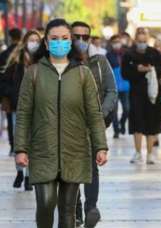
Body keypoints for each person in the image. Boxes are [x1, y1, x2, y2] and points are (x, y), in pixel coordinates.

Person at [14, 18, 108, 228]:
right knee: (46, 203)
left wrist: (100, 146)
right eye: (54, 39)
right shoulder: (34, 73)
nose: (59, 42)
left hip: (74, 150)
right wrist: (20, 148)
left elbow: (94, 113)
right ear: (46, 43)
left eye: (65, 38)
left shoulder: (83, 74)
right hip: (42, 149)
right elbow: (23, 114)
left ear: (70, 41)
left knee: (67, 209)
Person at [71, 21, 117, 228]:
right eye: (76, 36)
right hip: (67, 122)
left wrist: (101, 114)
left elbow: (111, 91)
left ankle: (91, 208)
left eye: (84, 37)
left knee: (90, 166)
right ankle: (76, 209)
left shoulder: (99, 61)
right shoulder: (61, 62)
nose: (80, 41)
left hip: (93, 122)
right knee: (70, 167)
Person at [2, 30, 41, 191]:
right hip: (18, 105)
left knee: (33, 142)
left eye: (36, 40)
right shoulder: (15, 60)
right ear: (25, 42)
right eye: (31, 40)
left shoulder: (42, 60)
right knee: (20, 140)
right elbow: (3, 81)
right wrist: (11, 95)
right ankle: (20, 171)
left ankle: (28, 176)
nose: (34, 43)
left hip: (38, 107)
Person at [121, 27, 161, 165]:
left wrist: (151, 69)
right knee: (137, 122)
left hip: (152, 94)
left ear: (148, 39)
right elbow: (125, 73)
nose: (142, 43)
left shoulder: (154, 53)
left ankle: (150, 153)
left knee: (152, 123)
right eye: (139, 40)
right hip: (136, 93)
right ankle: (137, 152)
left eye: (144, 40)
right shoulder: (129, 54)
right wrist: (137, 69)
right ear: (135, 39)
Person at [0, 28, 22, 157]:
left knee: (10, 120)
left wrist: (3, 95)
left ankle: (13, 146)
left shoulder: (4, 54)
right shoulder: (22, 53)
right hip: (20, 92)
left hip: (8, 94)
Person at [107, 34, 130, 138]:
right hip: (114, 86)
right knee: (114, 111)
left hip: (126, 85)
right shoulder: (109, 55)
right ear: (111, 44)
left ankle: (122, 123)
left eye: (118, 41)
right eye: (114, 42)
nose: (116, 44)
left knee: (127, 109)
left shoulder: (126, 53)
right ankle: (116, 130)